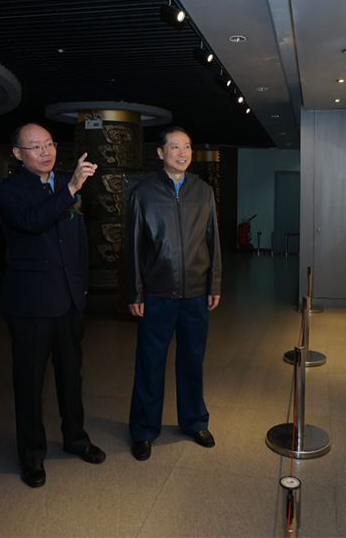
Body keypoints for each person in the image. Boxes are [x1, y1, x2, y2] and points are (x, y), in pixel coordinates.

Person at [0, 123, 106, 487]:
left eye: (50, 144)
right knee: (30, 382)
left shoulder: (65, 183)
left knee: (72, 374)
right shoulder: (8, 190)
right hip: (31, 302)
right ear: (18, 154)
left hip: (69, 298)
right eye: (35, 146)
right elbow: (30, 222)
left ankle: (76, 439)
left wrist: (83, 285)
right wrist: (71, 189)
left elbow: (78, 238)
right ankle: (31, 455)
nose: (45, 152)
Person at [125, 126, 221, 461]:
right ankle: (143, 429)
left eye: (187, 147)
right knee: (150, 364)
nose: (183, 153)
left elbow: (213, 240)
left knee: (193, 360)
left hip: (196, 293)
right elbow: (133, 248)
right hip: (157, 293)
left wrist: (214, 284)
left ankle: (194, 421)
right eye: (175, 147)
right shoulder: (143, 193)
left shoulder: (203, 191)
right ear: (160, 152)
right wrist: (135, 292)